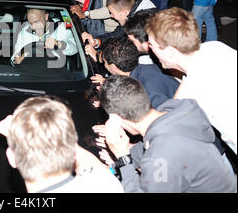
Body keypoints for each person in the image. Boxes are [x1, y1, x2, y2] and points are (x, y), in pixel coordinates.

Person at [98, 75, 237, 193]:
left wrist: (123, 160)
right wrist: (121, 157)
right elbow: (152, 147)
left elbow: (161, 156)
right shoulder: (178, 112)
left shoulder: (161, 155)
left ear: (115, 118)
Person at [146, 7, 237, 155]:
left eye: (151, 45)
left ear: (170, 52)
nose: (149, 48)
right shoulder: (213, 47)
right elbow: (179, 98)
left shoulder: (199, 89)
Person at [0, 96, 124, 193]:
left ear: (12, 158)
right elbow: (92, 167)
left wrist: (22, 132)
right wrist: (56, 132)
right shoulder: (107, 186)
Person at [90, 36, 179, 109]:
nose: (104, 65)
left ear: (113, 67)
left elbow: (163, 119)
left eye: (105, 62)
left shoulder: (147, 89)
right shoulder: (145, 69)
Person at [81, 0, 156, 52]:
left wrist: (98, 57)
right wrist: (96, 42)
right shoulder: (133, 8)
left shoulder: (141, 26)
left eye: (112, 13)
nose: (111, 16)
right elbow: (118, 33)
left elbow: (128, 52)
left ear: (124, 13)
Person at [12, 8, 77, 67]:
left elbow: (75, 48)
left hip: (56, 72)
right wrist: (17, 60)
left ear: (46, 17)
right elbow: (16, 55)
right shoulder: (25, 32)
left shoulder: (62, 27)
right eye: (30, 23)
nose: (33, 27)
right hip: (30, 71)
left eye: (36, 22)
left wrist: (58, 44)